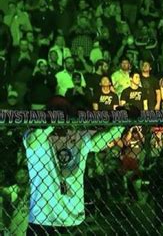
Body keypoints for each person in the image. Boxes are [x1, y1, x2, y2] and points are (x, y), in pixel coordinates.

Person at [24, 96, 125, 234]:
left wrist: (122, 123)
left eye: (63, 111)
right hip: (43, 219)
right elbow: (32, 141)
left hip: (73, 219)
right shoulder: (37, 134)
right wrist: (50, 124)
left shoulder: (78, 136)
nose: (61, 114)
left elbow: (100, 141)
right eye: (56, 110)